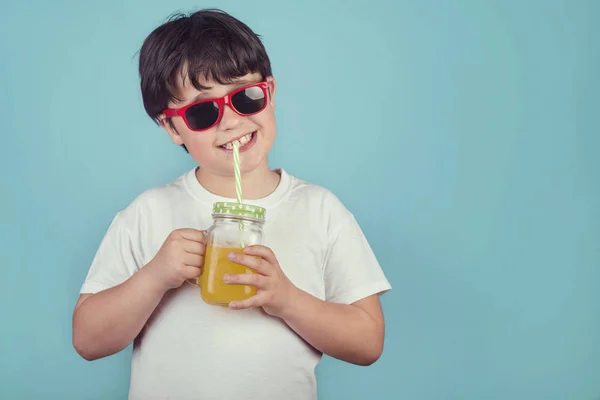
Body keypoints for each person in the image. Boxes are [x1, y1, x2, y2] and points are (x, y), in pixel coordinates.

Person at [72, 8, 391, 400]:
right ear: (171, 127)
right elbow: (88, 340)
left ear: (269, 93)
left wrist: (286, 299)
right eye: (202, 111)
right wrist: (155, 276)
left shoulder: (321, 210)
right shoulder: (148, 213)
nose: (231, 121)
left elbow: (368, 342)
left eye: (245, 97)